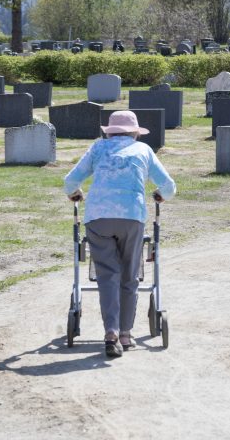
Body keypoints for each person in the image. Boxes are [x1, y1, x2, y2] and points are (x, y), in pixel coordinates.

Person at [63, 111, 176, 357]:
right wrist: (160, 195)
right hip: (131, 217)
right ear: (135, 133)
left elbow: (71, 181)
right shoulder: (143, 150)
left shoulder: (98, 148)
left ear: (109, 132)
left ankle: (111, 332)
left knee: (107, 275)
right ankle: (125, 333)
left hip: (98, 217)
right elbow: (168, 186)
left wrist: (75, 193)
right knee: (129, 275)